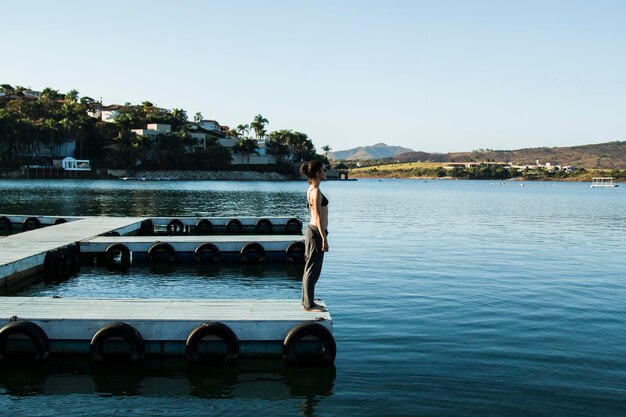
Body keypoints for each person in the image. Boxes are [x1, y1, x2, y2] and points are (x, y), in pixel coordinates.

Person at [300, 159, 329, 312]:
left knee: (311, 269)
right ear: (317, 173)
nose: (326, 172)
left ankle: (307, 301)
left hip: (314, 231)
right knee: (312, 270)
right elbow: (317, 216)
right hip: (316, 232)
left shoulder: (311, 188)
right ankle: (308, 305)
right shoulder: (315, 191)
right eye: (324, 170)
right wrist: (324, 238)